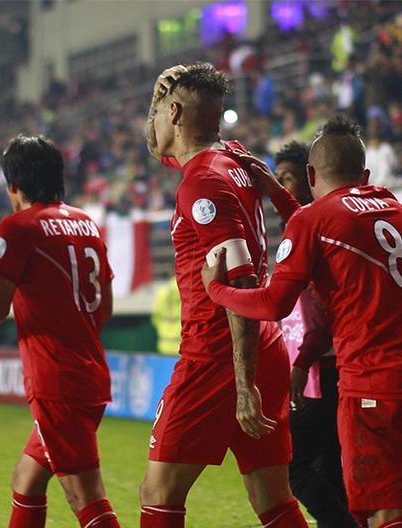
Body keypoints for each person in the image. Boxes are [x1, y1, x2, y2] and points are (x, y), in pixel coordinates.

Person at [203, 116, 402, 528]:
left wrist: (217, 290)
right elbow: (330, 227)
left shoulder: (313, 221)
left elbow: (275, 303)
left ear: (310, 174)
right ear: (364, 175)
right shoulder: (391, 204)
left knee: (383, 511)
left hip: (373, 383)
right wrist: (278, 194)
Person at [138, 63, 308, 528]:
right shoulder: (230, 157)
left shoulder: (203, 183)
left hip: (217, 354)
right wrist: (158, 96)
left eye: (157, 111)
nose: (151, 122)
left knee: (157, 492)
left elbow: (240, 282)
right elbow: (156, 145)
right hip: (265, 347)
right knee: (272, 498)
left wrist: (242, 384)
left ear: (173, 112)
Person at [0, 135, 121, 528]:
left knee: (85, 494)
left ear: (13, 186)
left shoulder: (18, 228)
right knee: (26, 481)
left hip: (56, 380)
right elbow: (106, 307)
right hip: (90, 371)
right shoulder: (85, 222)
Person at [273, 140, 355, 527]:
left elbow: (318, 314)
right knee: (328, 464)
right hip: (319, 364)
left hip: (323, 365)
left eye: (287, 178)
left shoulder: (314, 226)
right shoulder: (296, 229)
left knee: (295, 464)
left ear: (311, 178)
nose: (281, 186)